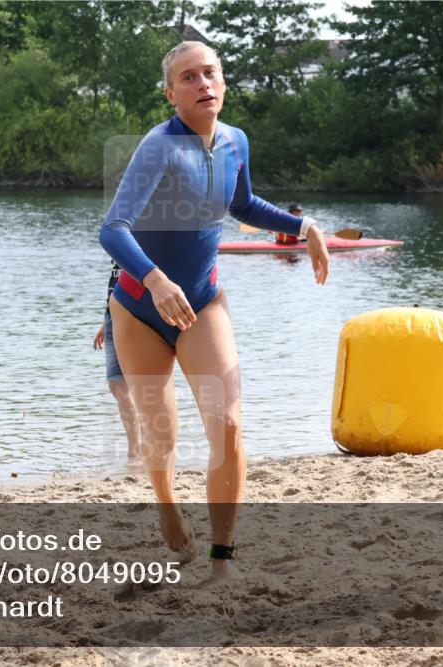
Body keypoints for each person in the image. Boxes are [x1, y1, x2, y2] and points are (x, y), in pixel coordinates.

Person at [99, 41, 329, 579]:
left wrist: (303, 227)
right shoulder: (158, 147)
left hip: (202, 299)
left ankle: (222, 558)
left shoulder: (235, 141)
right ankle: (164, 497)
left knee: (226, 424)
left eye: (210, 73)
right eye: (188, 77)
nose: (202, 83)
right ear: (171, 93)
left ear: (223, 83)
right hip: (139, 307)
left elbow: (242, 205)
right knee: (164, 434)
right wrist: (155, 282)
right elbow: (113, 229)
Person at [93, 260, 143, 465]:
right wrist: (106, 321)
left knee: (145, 385)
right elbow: (117, 277)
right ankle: (135, 451)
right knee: (117, 385)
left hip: (137, 313)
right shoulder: (119, 229)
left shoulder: (145, 229)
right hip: (114, 314)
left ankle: (143, 449)